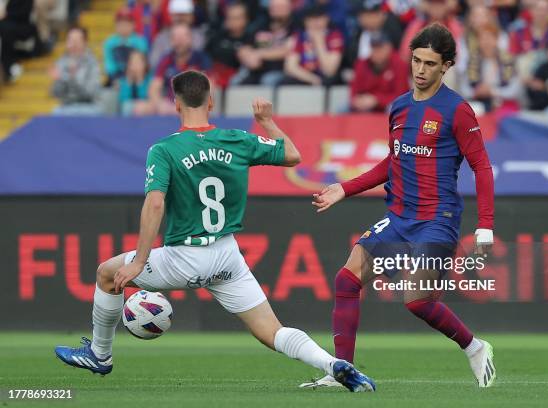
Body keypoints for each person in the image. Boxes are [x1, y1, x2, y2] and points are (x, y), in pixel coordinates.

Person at [54, 70, 376, 393]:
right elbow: (292, 155)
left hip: (184, 255)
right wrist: (266, 121)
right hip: (226, 255)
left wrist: (139, 261)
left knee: (107, 274)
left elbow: (154, 205)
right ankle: (331, 364)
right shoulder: (237, 140)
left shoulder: (165, 150)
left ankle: (100, 354)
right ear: (211, 101)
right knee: (272, 331)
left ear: (175, 104)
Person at [307, 23, 496, 389]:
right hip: (399, 217)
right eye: (415, 60)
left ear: (447, 66)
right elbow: (392, 162)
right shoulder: (398, 107)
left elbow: (482, 167)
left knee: (416, 301)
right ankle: (342, 371)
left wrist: (485, 225)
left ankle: (473, 346)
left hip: (437, 220)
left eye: (429, 63)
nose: (420, 70)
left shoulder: (457, 110)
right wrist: (344, 189)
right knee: (346, 279)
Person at [133, 22, 208, 116]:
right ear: (171, 41)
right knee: (139, 108)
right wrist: (159, 104)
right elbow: (154, 87)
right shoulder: (166, 59)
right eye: (175, 38)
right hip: (170, 104)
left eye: (182, 38)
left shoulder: (201, 59)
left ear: (190, 39)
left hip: (194, 106)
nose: (179, 42)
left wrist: (188, 107)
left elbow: (209, 87)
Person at [281, 4, 344, 86]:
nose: (315, 23)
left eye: (318, 18)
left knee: (328, 80)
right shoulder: (299, 36)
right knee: (284, 81)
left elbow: (329, 70)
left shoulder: (334, 36)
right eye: (311, 19)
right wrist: (312, 79)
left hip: (324, 77)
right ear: (305, 21)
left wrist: (319, 42)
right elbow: (290, 67)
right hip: (306, 76)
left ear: (326, 19)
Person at [350, 32, 409, 112]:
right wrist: (358, 101)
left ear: (389, 48)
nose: (377, 52)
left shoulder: (399, 64)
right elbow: (354, 91)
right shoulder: (362, 64)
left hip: (387, 105)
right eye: (374, 48)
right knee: (342, 109)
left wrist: (377, 100)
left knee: (392, 108)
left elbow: (402, 96)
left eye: (380, 48)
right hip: (366, 105)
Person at [50, 26, 101, 115]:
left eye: (77, 41)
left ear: (85, 42)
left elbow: (91, 93)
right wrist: (58, 81)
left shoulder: (92, 63)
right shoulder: (61, 62)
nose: (73, 44)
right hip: (66, 106)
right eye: (70, 41)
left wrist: (71, 78)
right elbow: (55, 93)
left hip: (88, 106)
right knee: (56, 112)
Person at [103, 7, 148, 84]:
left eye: (127, 23)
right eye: (121, 23)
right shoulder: (109, 42)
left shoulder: (140, 42)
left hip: (137, 78)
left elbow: (142, 65)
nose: (124, 26)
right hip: (115, 78)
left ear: (133, 24)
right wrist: (116, 78)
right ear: (116, 25)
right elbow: (109, 64)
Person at [118, 50, 152, 115]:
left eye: (138, 62)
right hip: (129, 111)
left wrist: (140, 80)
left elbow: (146, 97)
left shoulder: (149, 80)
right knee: (126, 106)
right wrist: (129, 80)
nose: (135, 65)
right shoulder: (124, 80)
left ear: (144, 64)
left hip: (145, 110)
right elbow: (123, 99)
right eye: (132, 62)